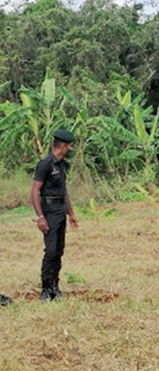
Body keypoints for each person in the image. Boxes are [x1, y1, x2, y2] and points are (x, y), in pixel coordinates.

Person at [31, 129, 79, 302]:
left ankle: (55, 287)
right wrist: (40, 217)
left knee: (59, 250)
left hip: (60, 209)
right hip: (49, 210)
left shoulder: (63, 165)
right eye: (69, 145)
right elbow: (35, 191)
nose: (70, 148)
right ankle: (45, 289)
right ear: (63, 146)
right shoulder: (45, 164)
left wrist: (71, 213)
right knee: (50, 250)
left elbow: (63, 191)